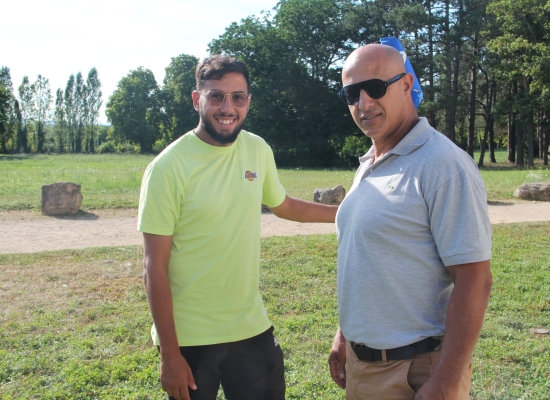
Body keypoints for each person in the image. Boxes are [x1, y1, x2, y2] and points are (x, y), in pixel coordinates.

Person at [138, 55, 337, 400]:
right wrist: (170, 355)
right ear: (196, 99)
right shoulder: (168, 167)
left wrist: (350, 212)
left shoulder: (257, 149)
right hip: (191, 336)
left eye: (238, 97)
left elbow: (285, 205)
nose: (227, 107)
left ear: (248, 102)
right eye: (216, 96)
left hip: (250, 326)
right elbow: (154, 266)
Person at [328, 44, 493, 400]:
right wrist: (345, 336)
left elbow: (475, 280)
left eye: (375, 87)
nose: (364, 102)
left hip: (416, 371)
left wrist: (445, 382)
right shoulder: (371, 161)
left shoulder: (443, 164)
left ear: (406, 84)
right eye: (351, 93)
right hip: (363, 365)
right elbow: (367, 262)